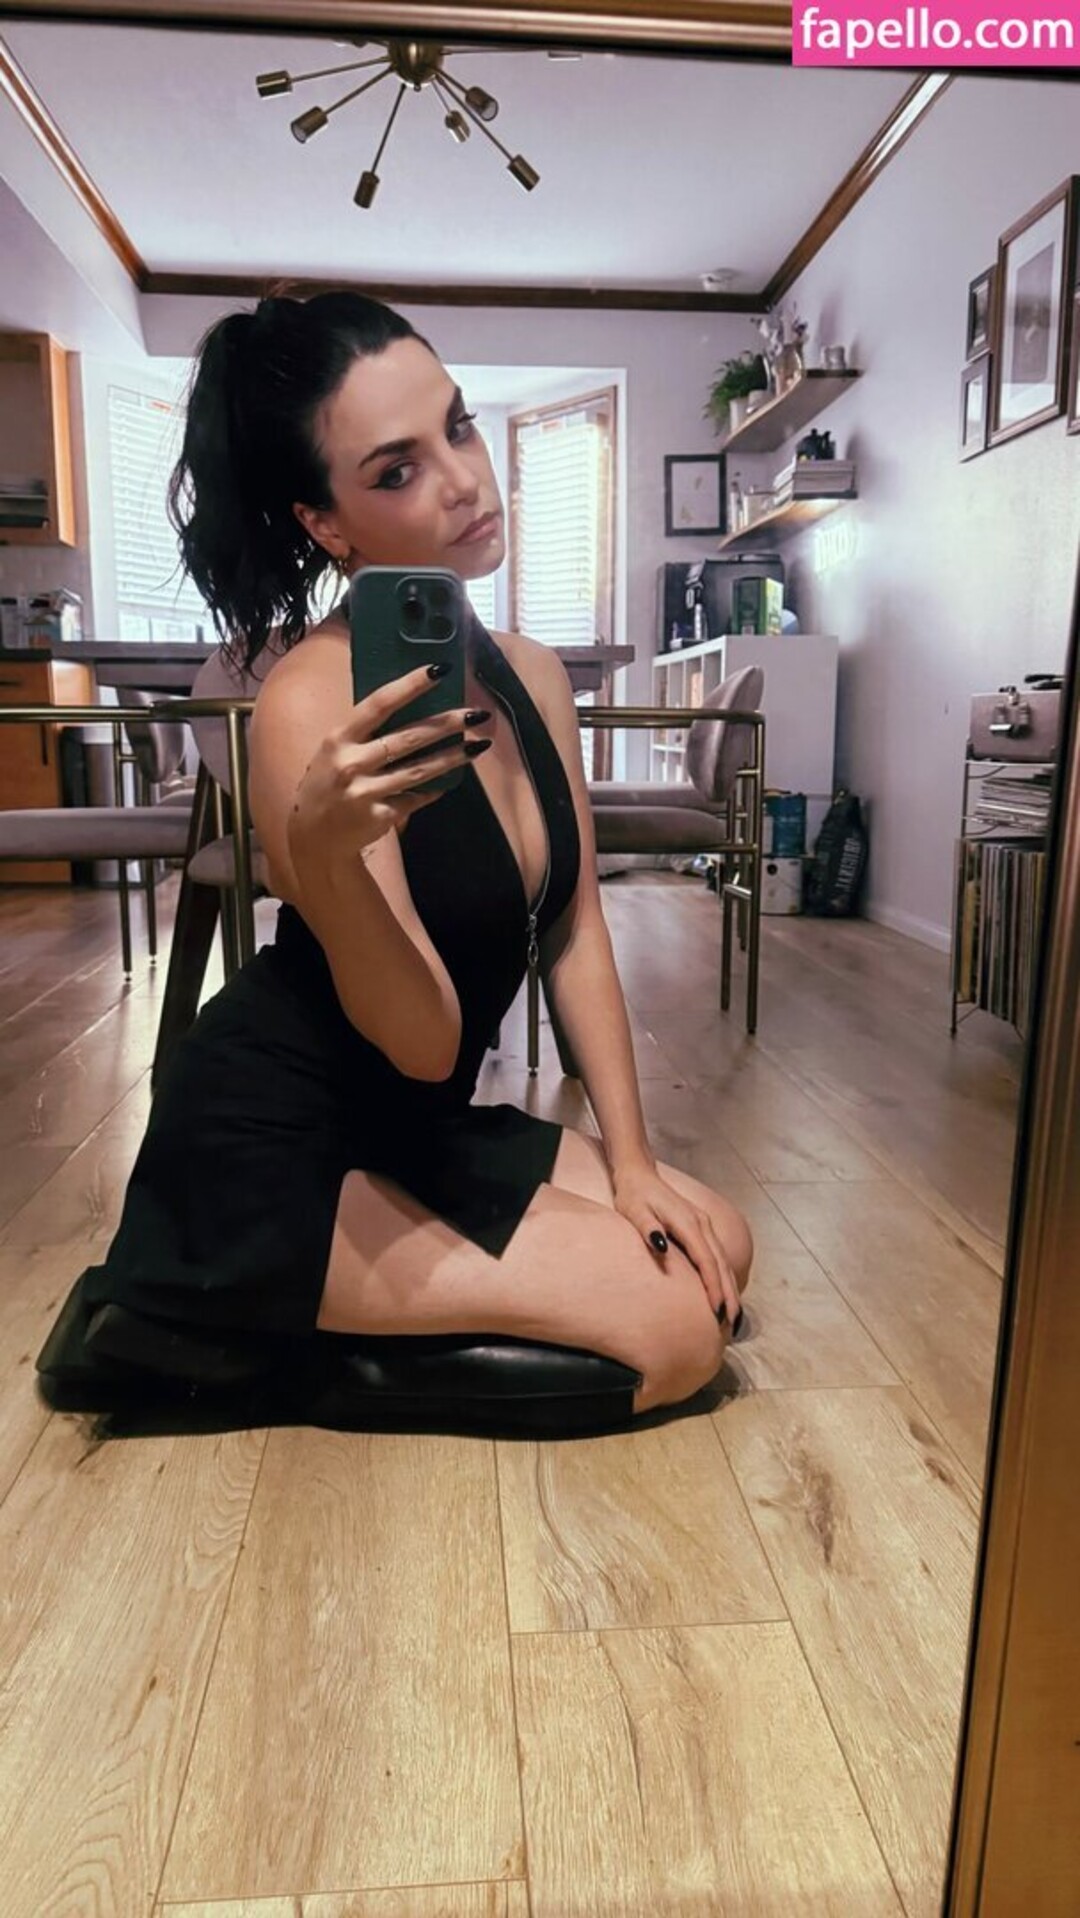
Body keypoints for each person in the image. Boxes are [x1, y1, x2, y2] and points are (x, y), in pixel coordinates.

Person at [41, 291, 752, 1420]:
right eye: (397, 469)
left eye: (457, 426)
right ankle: (190, 1333)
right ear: (327, 525)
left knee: (721, 1243)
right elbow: (423, 1045)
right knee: (675, 1334)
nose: (464, 479)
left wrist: (629, 1162)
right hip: (274, 1144)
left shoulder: (531, 673)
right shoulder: (306, 703)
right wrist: (326, 865)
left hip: (413, 1130)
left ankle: (261, 1326)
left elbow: (575, 926)